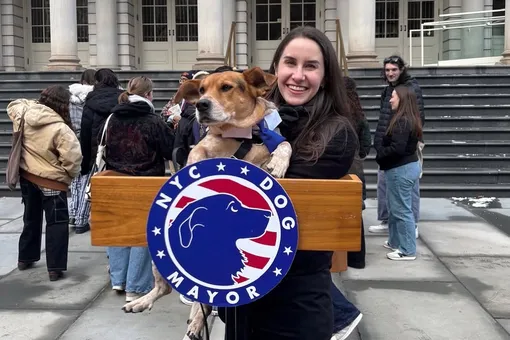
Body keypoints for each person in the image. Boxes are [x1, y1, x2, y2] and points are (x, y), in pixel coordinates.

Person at [219, 26, 358, 340]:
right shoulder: (254, 121)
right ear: (276, 69)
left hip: (296, 307)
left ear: (325, 76)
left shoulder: (337, 133)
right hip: (240, 301)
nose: (298, 75)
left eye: (310, 66)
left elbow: (265, 197)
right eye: (290, 63)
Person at [103, 76, 175, 302]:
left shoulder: (112, 117)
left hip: (114, 180)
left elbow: (101, 143)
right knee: (142, 235)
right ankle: (136, 285)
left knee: (118, 232)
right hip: (145, 183)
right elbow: (169, 148)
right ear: (149, 95)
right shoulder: (152, 121)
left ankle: (119, 280)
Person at [7, 86, 82, 281]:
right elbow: (73, 159)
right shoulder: (60, 128)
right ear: (63, 104)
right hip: (53, 181)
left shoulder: (22, 113)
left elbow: (13, 104)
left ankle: (25, 257)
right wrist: (68, 175)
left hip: (26, 176)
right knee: (57, 223)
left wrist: (33, 104)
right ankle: (54, 268)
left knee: (30, 218)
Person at [370, 55, 424, 238]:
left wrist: (408, 143)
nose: (390, 73)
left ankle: (412, 224)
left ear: (402, 70)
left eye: (394, 69)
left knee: (408, 186)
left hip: (404, 146)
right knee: (384, 183)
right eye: (387, 70)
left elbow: (418, 117)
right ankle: (387, 220)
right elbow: (383, 117)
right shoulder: (388, 90)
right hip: (388, 144)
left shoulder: (411, 88)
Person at [375, 85, 422, 261]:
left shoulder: (403, 121)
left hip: (400, 169)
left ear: (402, 99)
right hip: (401, 168)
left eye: (393, 96)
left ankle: (408, 250)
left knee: (402, 210)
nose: (390, 99)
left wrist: (380, 153)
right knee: (395, 208)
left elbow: (397, 149)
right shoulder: (405, 118)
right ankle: (395, 241)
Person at [79, 69, 124, 234]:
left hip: (98, 154)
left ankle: (106, 234)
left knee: (100, 198)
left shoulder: (91, 101)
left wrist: (85, 163)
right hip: (121, 154)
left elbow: (85, 133)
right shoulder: (123, 99)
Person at [68, 68, 95, 231]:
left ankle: (73, 213)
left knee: (76, 180)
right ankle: (81, 219)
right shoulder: (94, 98)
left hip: (72, 140)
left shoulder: (69, 98)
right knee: (87, 180)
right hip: (89, 141)